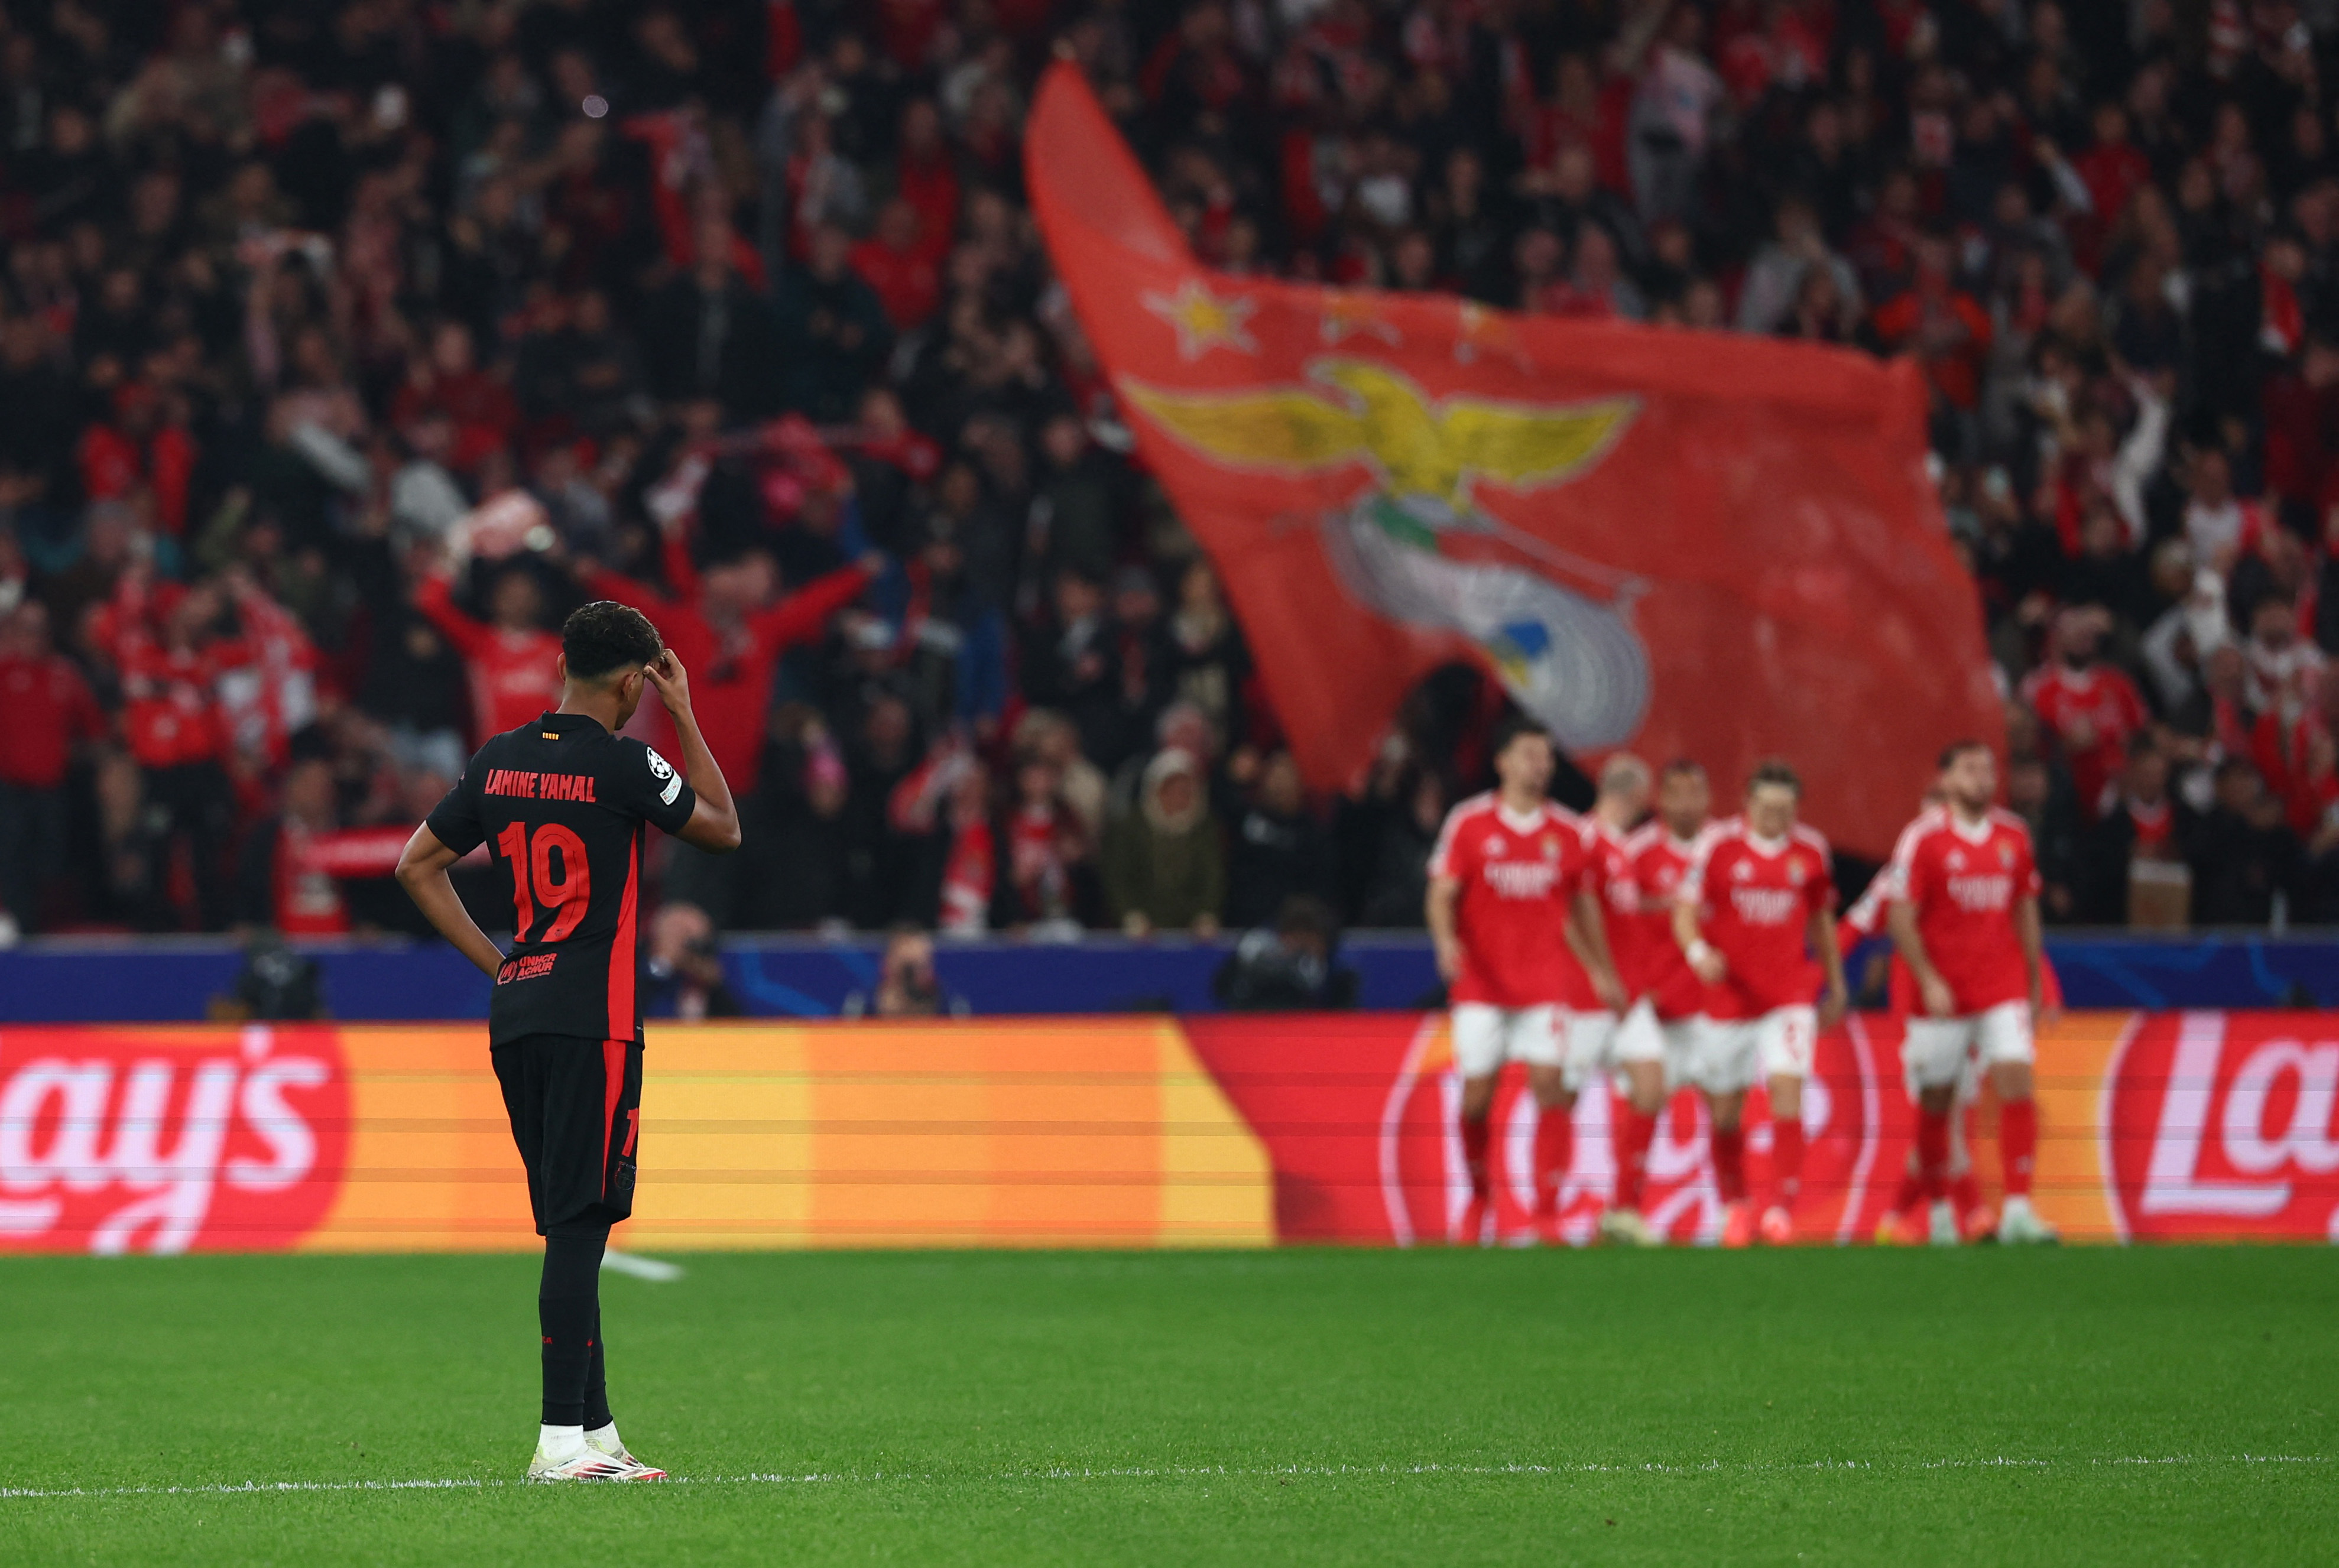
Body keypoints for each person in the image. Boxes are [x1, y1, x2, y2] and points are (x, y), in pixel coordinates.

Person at [395, 600, 741, 1483]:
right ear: (634, 683)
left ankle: (598, 1435)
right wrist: (688, 712)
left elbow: (417, 866)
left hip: (518, 1014)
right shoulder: (624, 765)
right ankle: (558, 1445)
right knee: (581, 1228)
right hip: (595, 1020)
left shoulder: (499, 761)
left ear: (560, 667)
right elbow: (721, 825)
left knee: (567, 1224)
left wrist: (500, 962)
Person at [1426, 718, 1624, 1244]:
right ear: (1503, 763)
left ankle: (1545, 1213)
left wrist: (1602, 971)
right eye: (1531, 755)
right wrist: (1446, 942)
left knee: (1551, 1091)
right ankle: (1477, 1198)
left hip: (1543, 986)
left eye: (1546, 757)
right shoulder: (1468, 823)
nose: (1541, 766)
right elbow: (1441, 893)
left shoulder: (1566, 832)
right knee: (1476, 1099)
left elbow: (1583, 907)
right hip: (1481, 986)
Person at [1883, 742, 2058, 1245]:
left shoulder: (2013, 834)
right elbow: (1900, 916)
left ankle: (2019, 1211)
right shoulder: (1922, 838)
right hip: (1941, 997)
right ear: (1945, 778)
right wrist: (1928, 977)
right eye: (1968, 769)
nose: (1981, 778)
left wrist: (2033, 978)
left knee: (2016, 1080)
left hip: (1999, 986)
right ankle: (1938, 1210)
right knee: (1937, 1102)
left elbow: (2024, 907)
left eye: (1986, 769)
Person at [1673, 759, 1847, 1248]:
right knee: (1725, 1113)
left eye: (1786, 809)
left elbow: (1821, 921)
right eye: (1768, 808)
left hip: (1788, 995)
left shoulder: (1810, 851)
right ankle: (1735, 1207)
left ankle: (1779, 1212)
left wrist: (1834, 983)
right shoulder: (1717, 846)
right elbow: (1683, 913)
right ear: (1747, 803)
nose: (1776, 818)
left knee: (1787, 1094)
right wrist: (1698, 953)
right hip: (1728, 998)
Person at [1608, 758, 1717, 1244]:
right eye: (1676, 792)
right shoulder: (1636, 852)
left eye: (1695, 792)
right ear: (1662, 800)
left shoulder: (1725, 849)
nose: (1686, 802)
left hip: (1715, 1005)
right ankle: (1624, 1207)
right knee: (1647, 1099)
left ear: (1708, 798)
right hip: (1656, 1004)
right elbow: (1616, 923)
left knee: (1727, 1108)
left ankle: (1732, 1212)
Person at [1568, 754, 1674, 1246]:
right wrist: (1599, 973)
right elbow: (1566, 911)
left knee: (1651, 1087)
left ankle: (1623, 1209)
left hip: (1630, 999)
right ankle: (1544, 1210)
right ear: (1635, 791)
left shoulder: (1621, 849)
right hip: (1589, 998)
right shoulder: (1584, 839)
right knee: (1560, 1099)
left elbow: (1623, 914)